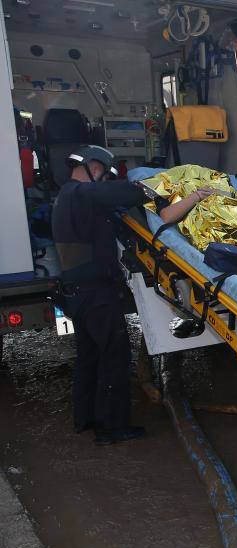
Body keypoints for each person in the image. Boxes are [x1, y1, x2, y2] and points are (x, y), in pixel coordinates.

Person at [51, 145, 148, 446]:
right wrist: (148, 188)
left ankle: (86, 418)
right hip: (97, 296)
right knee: (114, 360)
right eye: (104, 176)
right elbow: (128, 195)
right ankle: (112, 427)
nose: (104, 181)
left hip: (79, 296)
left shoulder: (64, 198)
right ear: (94, 170)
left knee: (89, 359)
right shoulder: (82, 195)